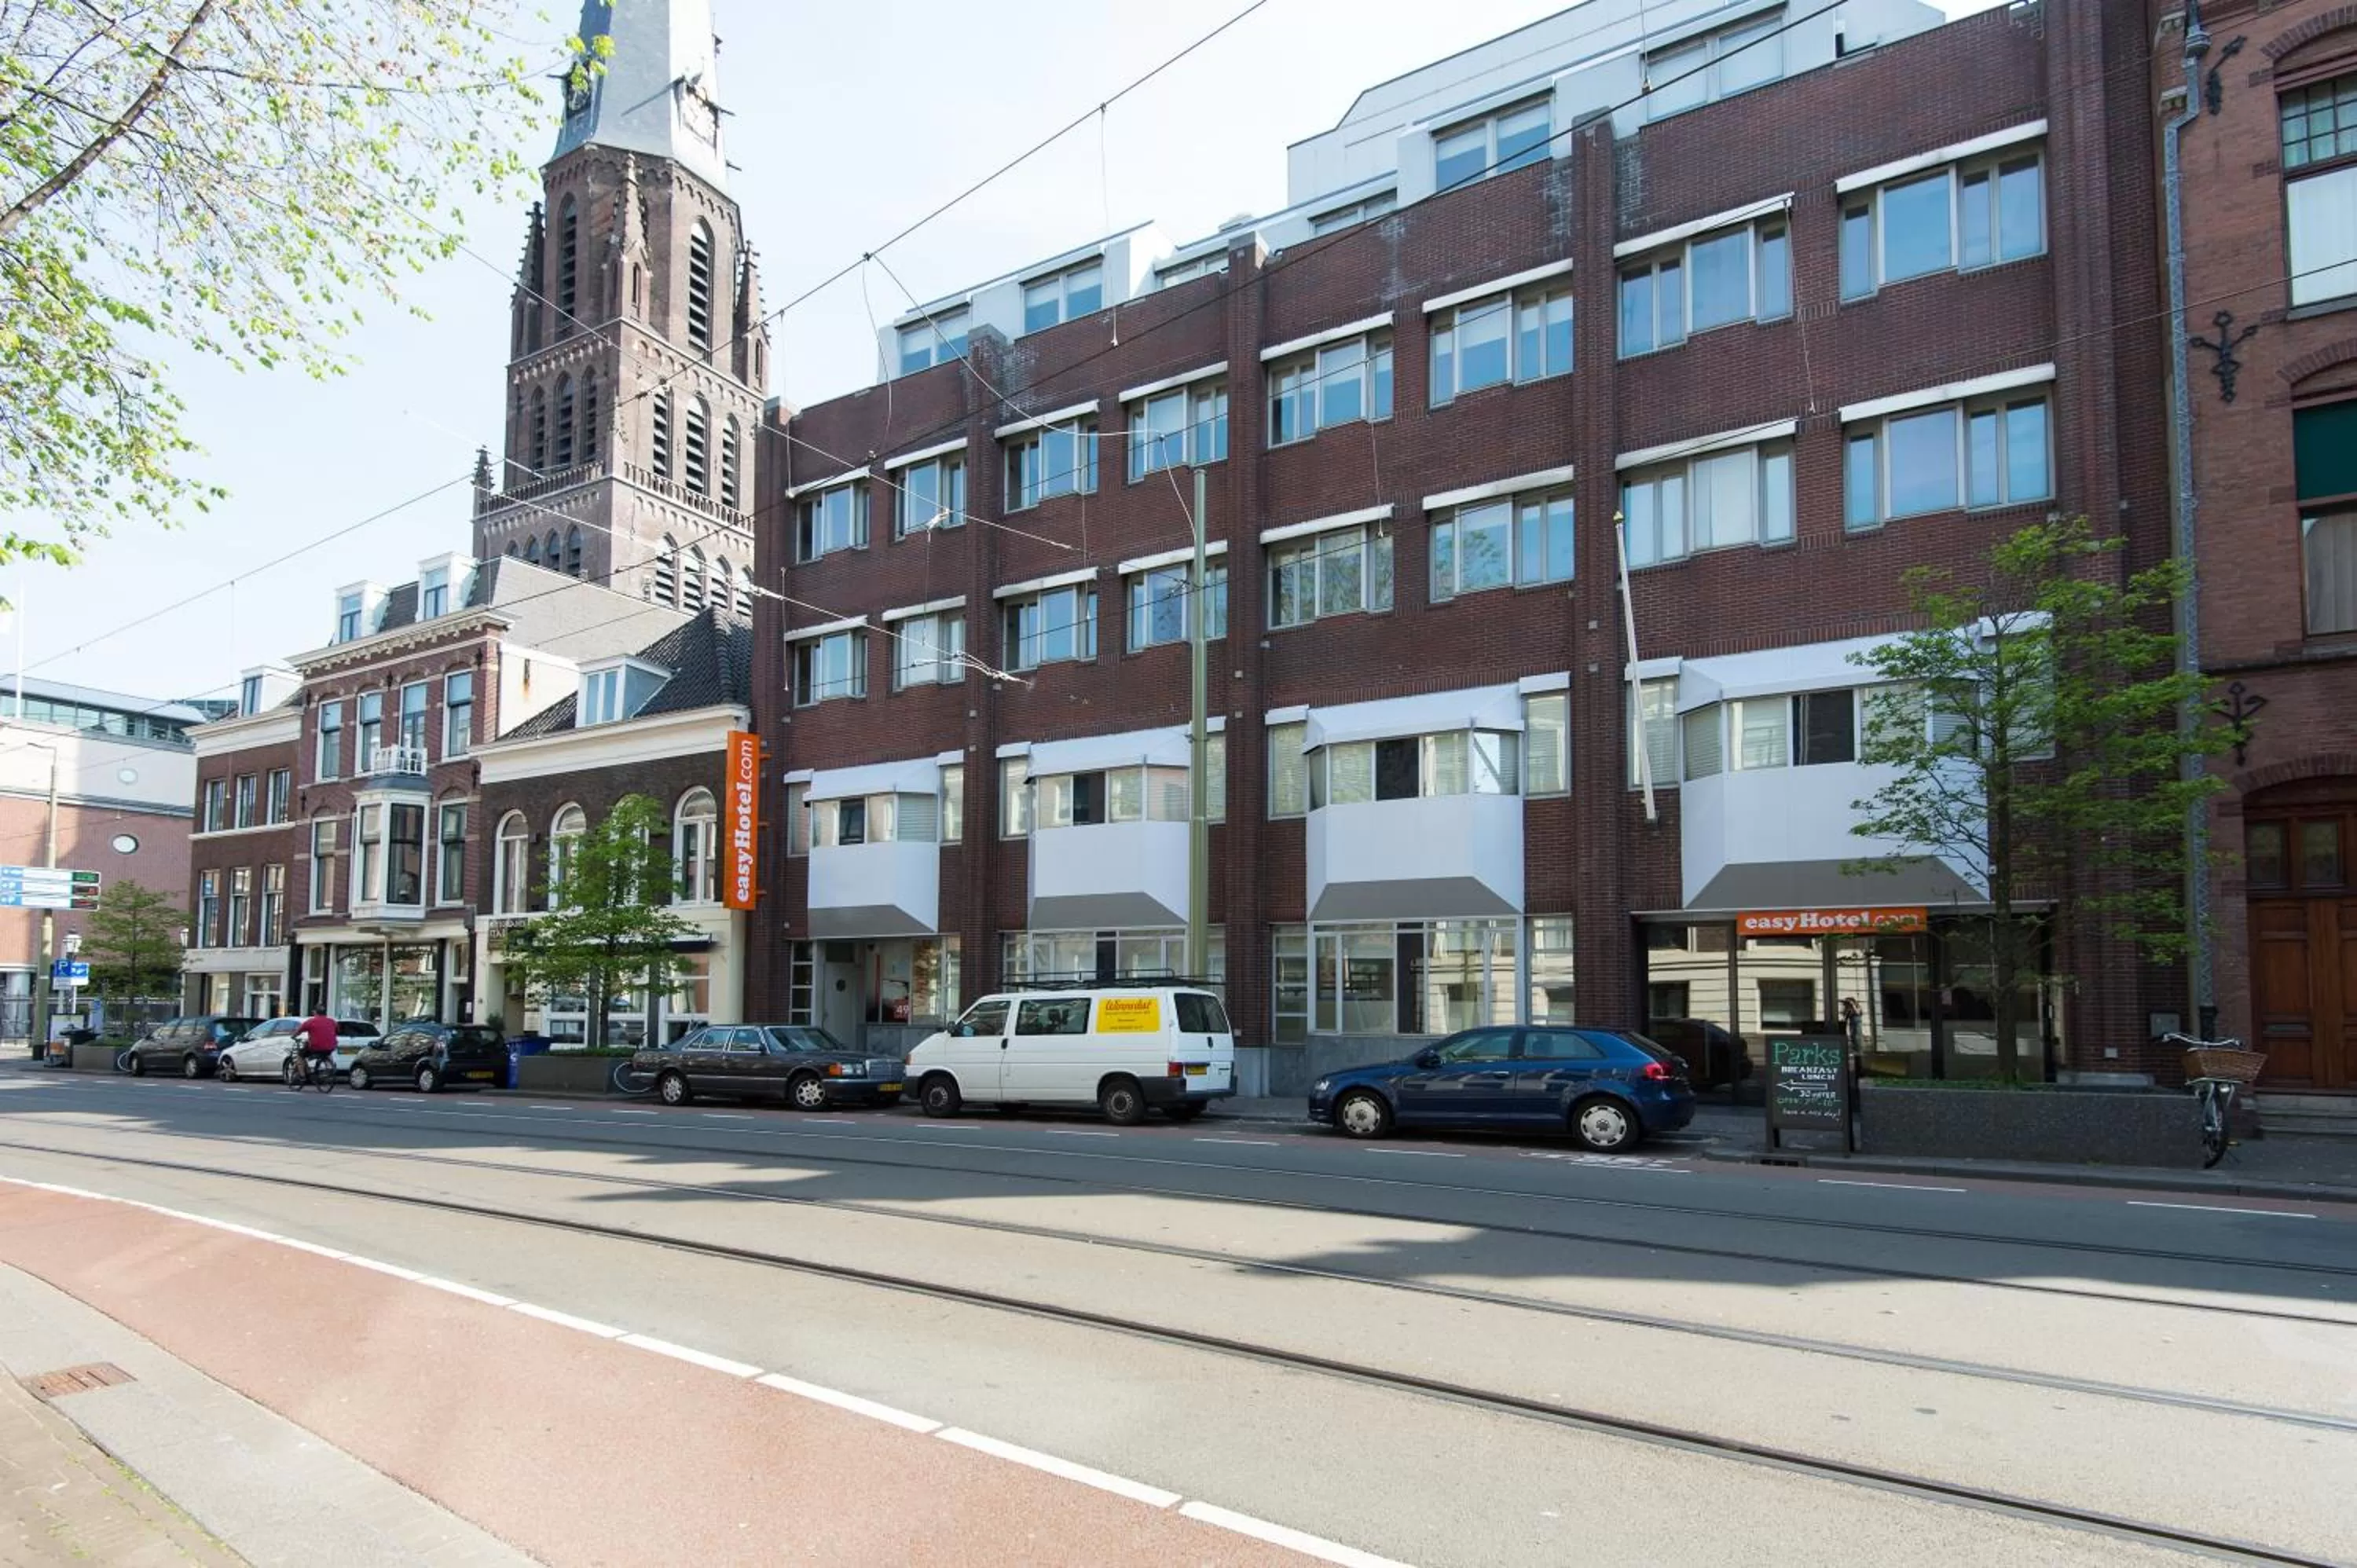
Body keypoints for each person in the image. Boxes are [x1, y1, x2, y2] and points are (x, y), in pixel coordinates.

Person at [295, 1011, 339, 1083]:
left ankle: (302, 1076)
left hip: (315, 1047)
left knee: (300, 1056)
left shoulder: (311, 1021)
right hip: (330, 1047)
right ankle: (330, 1068)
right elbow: (337, 1031)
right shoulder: (332, 1021)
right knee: (327, 1052)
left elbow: (300, 1030)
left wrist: (294, 1036)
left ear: (316, 1013)